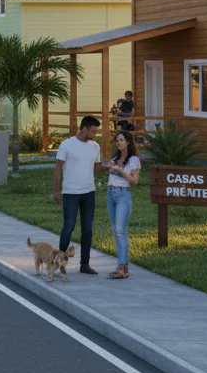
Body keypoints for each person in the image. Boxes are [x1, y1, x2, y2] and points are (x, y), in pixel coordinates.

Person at [54, 116, 105, 275]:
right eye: (93, 131)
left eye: (96, 131)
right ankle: (59, 262)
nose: (95, 134)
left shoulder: (95, 146)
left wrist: (110, 167)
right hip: (70, 193)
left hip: (89, 192)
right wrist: (56, 191)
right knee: (68, 227)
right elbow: (57, 169)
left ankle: (85, 264)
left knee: (87, 229)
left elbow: (96, 169)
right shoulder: (67, 145)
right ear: (84, 128)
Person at [105, 130, 142, 279]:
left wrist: (121, 171)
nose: (118, 142)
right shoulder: (116, 158)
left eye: (120, 140)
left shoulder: (133, 159)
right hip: (110, 193)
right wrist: (109, 166)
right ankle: (123, 266)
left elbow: (135, 181)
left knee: (121, 230)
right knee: (115, 230)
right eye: (116, 140)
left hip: (122, 195)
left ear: (127, 142)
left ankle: (122, 266)